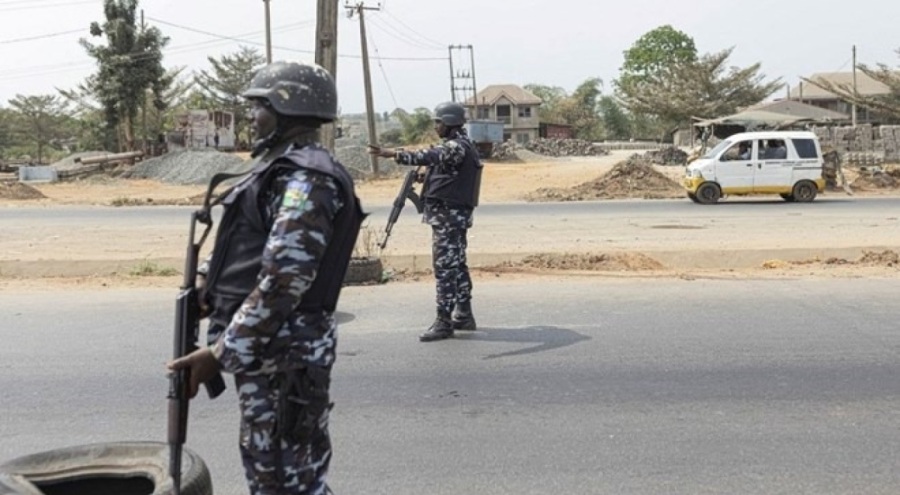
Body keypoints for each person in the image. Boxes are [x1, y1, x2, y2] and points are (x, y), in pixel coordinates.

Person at [167, 60, 365, 495]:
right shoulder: (275, 169)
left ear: (287, 108)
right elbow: (246, 243)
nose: (252, 118)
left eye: (260, 107)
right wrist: (207, 285)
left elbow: (284, 279)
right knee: (280, 479)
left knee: (285, 483)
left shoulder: (306, 177)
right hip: (270, 351)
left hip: (285, 356)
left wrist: (219, 353)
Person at [368, 101, 483, 342]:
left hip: (449, 217)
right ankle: (463, 313)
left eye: (438, 122)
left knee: (444, 268)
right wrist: (426, 176)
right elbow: (446, 168)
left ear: (450, 122)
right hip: (452, 215)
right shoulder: (463, 144)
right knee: (457, 264)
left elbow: (432, 155)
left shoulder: (455, 146)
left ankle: (444, 321)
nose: (435, 126)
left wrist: (395, 154)